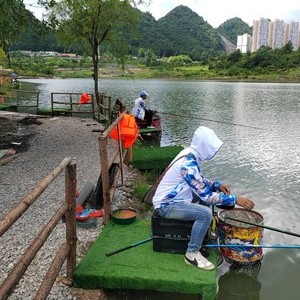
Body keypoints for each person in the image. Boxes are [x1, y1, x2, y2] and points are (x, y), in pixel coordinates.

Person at [152, 126, 255, 271]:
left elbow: (198, 180)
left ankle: (202, 233)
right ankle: (192, 253)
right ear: (204, 146)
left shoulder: (190, 153)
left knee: (202, 202)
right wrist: (235, 199)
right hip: (166, 205)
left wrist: (217, 185)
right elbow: (207, 197)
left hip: (176, 198)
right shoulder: (187, 164)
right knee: (205, 213)